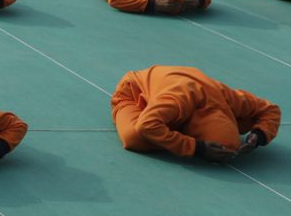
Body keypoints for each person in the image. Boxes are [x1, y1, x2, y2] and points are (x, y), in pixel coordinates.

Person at [110, 66, 278, 162]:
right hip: (133, 92)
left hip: (179, 86)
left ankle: (167, 130)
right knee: (134, 137)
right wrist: (197, 148)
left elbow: (271, 110)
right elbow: (146, 125)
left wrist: (258, 135)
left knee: (250, 118)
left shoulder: (229, 99)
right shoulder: (176, 100)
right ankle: (169, 128)